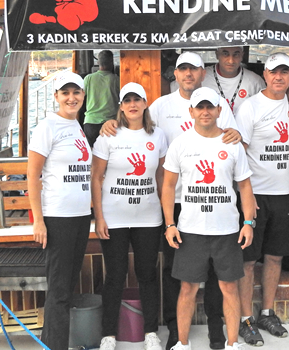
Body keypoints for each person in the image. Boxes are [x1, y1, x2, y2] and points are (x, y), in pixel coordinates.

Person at [100, 51, 242, 350]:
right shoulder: (160, 105)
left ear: (203, 73)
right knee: (174, 271)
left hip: (208, 200)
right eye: (182, 69)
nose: (188, 74)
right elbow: (137, 125)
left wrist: (234, 134)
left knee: (216, 273)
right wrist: (109, 123)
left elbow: (232, 136)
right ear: (174, 74)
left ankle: (216, 330)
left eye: (194, 69)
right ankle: (176, 331)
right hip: (171, 201)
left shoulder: (217, 103)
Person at [162, 87, 256, 350]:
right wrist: (170, 224)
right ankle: (182, 344)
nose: (205, 112)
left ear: (219, 110)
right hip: (190, 230)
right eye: (200, 107)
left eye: (210, 107)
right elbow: (168, 186)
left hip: (227, 230)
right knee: (187, 289)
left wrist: (248, 223)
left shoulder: (232, 144)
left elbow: (245, 186)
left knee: (229, 287)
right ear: (191, 111)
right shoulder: (180, 143)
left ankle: (232, 343)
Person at [91, 83, 168, 350]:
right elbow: (96, 178)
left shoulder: (158, 135)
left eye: (137, 100)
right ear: (121, 106)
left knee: (147, 274)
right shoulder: (108, 136)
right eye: (127, 100)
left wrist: (166, 214)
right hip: (114, 218)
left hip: (148, 217)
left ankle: (151, 333)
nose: (133, 104)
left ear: (145, 104)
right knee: (115, 275)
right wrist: (99, 217)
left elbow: (161, 177)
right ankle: (108, 335)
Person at [235, 52, 289, 345]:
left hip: (284, 194)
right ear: (265, 74)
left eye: (284, 72)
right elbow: (240, 153)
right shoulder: (249, 107)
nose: (279, 77)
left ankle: (266, 312)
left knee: (275, 256)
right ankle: (245, 318)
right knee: (248, 261)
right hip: (255, 195)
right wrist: (246, 195)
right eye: (274, 72)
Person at [27, 72, 92, 350]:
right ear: (56, 97)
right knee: (60, 291)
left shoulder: (77, 125)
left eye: (76, 92)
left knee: (67, 286)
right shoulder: (47, 126)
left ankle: (51, 343)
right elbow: (32, 175)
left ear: (83, 95)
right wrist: (38, 221)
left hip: (80, 217)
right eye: (65, 93)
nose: (71, 98)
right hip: (58, 218)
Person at [170, 46, 289, 114]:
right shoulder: (201, 76)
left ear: (242, 55)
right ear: (217, 54)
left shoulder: (254, 81)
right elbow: (175, 89)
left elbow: (271, 94)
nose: (231, 60)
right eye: (225, 54)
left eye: (236, 54)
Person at [83, 50, 120, 146]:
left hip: (90, 122)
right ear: (112, 62)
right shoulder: (116, 80)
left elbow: (81, 97)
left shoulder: (88, 78)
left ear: (98, 62)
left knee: (91, 151)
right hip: (110, 124)